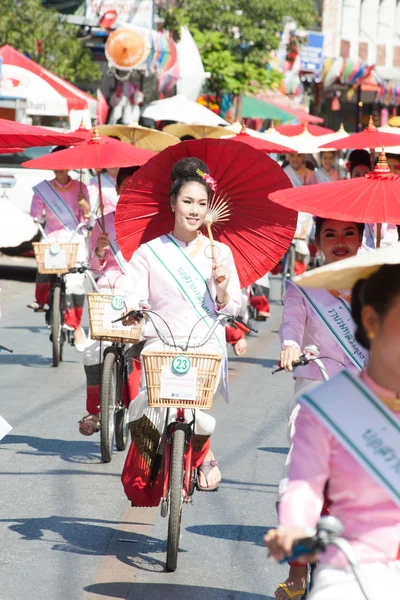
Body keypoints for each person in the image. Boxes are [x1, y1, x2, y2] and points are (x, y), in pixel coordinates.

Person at [265, 255, 400, 600]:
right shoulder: (324, 410)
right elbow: (305, 486)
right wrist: (295, 527)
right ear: (372, 321)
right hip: (350, 567)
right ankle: (298, 576)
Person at [120, 157, 241, 503]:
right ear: (173, 203)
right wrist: (132, 308)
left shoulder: (221, 253)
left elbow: (234, 309)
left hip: (205, 349)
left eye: (202, 204)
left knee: (198, 412)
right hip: (161, 346)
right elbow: (132, 292)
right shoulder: (149, 252)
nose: (194, 210)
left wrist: (221, 288)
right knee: (149, 412)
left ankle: (202, 452)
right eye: (187, 202)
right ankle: (171, 467)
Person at [276, 217, 368, 600]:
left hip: (371, 396)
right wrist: (290, 345)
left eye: (349, 233)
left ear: (362, 237)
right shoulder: (303, 286)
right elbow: (292, 323)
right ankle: (298, 572)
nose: (340, 241)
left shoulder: (381, 283)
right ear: (317, 242)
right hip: (318, 389)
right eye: (330, 234)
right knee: (300, 478)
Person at [79, 166, 143, 435]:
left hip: (137, 296)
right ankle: (94, 411)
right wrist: (99, 251)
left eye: (135, 186)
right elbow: (93, 269)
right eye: (124, 186)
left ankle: (141, 412)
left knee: (145, 353)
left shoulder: (152, 225)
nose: (129, 191)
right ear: (117, 189)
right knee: (92, 349)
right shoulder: (103, 223)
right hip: (107, 295)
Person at [28, 146, 91, 352]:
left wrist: (85, 207)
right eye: (55, 163)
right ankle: (43, 301)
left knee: (75, 283)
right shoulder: (43, 189)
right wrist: (35, 219)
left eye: (64, 163)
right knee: (43, 263)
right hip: (52, 237)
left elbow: (87, 221)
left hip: (74, 237)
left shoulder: (82, 188)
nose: (59, 168)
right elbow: (35, 215)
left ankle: (75, 326)